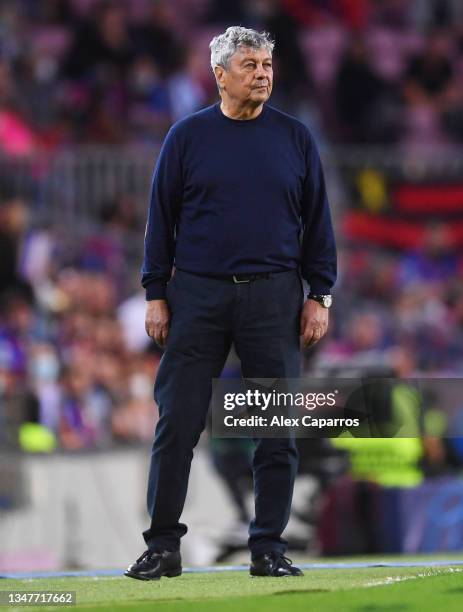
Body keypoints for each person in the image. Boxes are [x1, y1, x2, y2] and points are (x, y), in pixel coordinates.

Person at [125, 26, 336, 580]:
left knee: (277, 428)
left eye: (267, 63)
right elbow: (160, 221)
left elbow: (318, 222)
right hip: (198, 295)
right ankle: (163, 545)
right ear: (220, 74)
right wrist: (155, 294)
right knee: (178, 423)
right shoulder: (187, 137)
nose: (263, 73)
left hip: (275, 296)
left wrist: (320, 294)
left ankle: (268, 547)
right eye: (250, 64)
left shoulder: (295, 138)